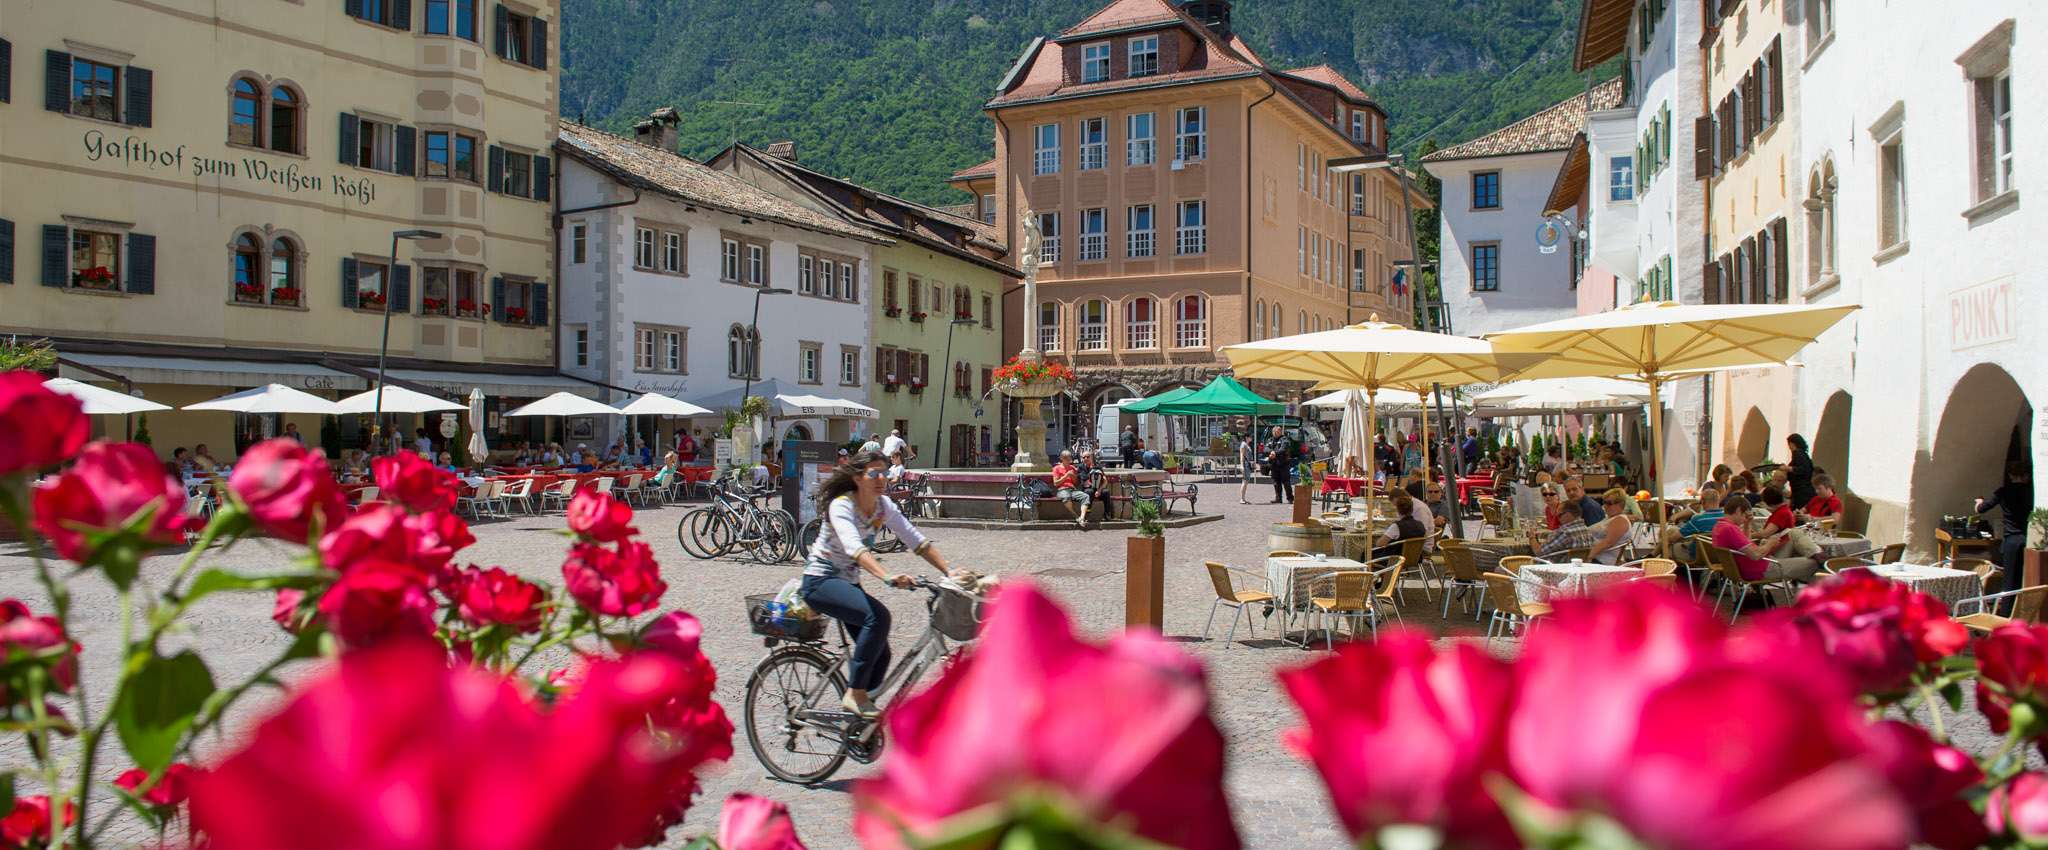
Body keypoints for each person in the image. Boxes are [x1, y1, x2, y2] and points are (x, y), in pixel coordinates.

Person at [801, 449, 956, 718]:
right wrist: (885, 575)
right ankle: (855, 694)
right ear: (859, 477)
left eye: (884, 472)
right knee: (878, 617)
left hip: (847, 583)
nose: (881, 478)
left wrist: (949, 571)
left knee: (881, 655)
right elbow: (854, 548)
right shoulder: (842, 505)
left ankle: (859, 721)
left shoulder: (883, 507)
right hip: (820, 581)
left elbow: (916, 540)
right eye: (874, 473)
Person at [1713, 494, 1819, 583]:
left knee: (1793, 533)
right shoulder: (1730, 529)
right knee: (1813, 563)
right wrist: (1770, 544)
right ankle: (1820, 559)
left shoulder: (1720, 526)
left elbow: (1744, 545)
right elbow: (1756, 555)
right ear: (1738, 510)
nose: (1744, 519)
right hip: (1761, 569)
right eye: (1745, 515)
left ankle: (1816, 554)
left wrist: (1747, 524)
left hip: (1752, 566)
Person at [1977, 461, 2036, 597]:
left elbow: (1981, 509)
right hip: (2028, 539)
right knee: (2025, 579)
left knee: (2009, 581)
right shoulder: (2031, 492)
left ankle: (2006, 613)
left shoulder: (2003, 492)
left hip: (2011, 540)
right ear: (2027, 476)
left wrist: (1979, 502)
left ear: (2010, 475)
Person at [1371, 490, 1428, 562]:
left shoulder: (1397, 526)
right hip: (1415, 557)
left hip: (1395, 559)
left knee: (1366, 553)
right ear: (1411, 509)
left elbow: (1380, 544)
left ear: (1397, 510)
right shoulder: (1420, 524)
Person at [1587, 488, 1634, 565]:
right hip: (1596, 557)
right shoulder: (1610, 518)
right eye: (1604, 502)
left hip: (1602, 561)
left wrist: (1587, 557)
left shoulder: (1620, 520)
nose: (1605, 506)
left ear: (1620, 504)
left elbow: (1608, 543)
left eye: (1609, 503)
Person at [1051, 451, 1091, 529]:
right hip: (1062, 490)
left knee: (1085, 496)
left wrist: (1074, 477)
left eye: (1069, 458)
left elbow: (1076, 483)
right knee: (1066, 496)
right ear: (1062, 458)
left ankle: (1082, 517)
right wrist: (1066, 475)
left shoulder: (1072, 468)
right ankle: (1075, 516)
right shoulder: (1056, 468)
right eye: (1066, 458)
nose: (1068, 460)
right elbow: (1056, 483)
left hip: (1072, 489)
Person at [1402, 478, 1437, 549]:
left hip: (1422, 543)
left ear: (1441, 493)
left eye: (1436, 491)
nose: (1433, 494)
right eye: (1430, 492)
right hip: (1420, 536)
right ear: (1426, 493)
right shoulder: (1423, 503)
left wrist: (1430, 522)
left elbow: (1439, 521)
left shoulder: (1442, 505)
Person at [1785, 434, 1817, 509]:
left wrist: (1787, 468)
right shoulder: (1804, 455)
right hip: (1803, 491)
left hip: (1801, 492)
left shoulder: (1798, 453)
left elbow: (1802, 469)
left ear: (1792, 443)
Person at [1266, 426, 1296, 504]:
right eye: (1274, 432)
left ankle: (1290, 498)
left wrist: (1274, 453)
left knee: (1286, 482)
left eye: (1277, 431)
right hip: (1274, 464)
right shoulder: (1270, 440)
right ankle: (1278, 498)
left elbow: (1283, 449)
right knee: (1276, 482)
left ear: (1280, 432)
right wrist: (1271, 452)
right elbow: (1265, 449)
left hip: (1283, 464)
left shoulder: (1284, 439)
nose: (1275, 433)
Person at [1237, 432, 1256, 505]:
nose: (1251, 438)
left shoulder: (1247, 445)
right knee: (1244, 481)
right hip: (1245, 465)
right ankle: (1242, 498)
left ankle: (1243, 498)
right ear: (1246, 437)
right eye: (1250, 436)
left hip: (1248, 465)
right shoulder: (1243, 444)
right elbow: (1242, 455)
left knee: (1246, 481)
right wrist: (1241, 465)